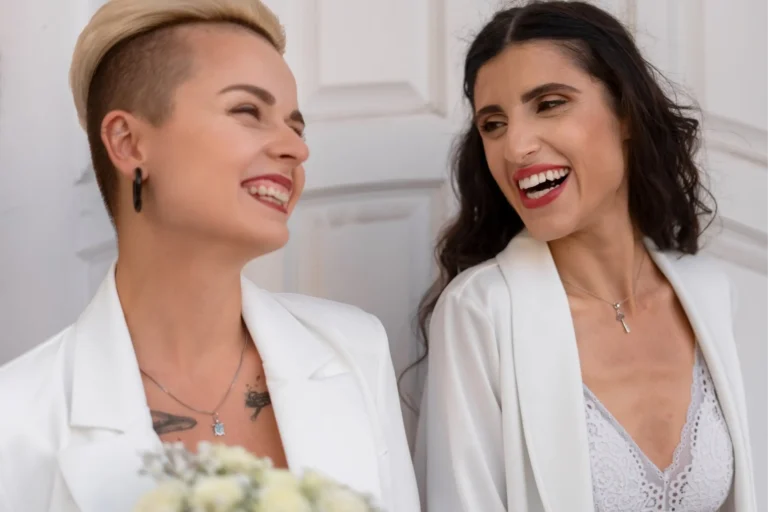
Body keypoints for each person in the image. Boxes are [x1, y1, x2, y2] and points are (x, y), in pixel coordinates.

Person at [0, 1, 419, 511]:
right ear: (128, 142)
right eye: (248, 111)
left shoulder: (354, 350)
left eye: (296, 126)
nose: (296, 149)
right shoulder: (17, 420)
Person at [414, 2, 757, 511]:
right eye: (493, 124)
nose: (516, 147)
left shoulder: (710, 293)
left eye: (549, 103)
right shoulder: (480, 313)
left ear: (625, 112)